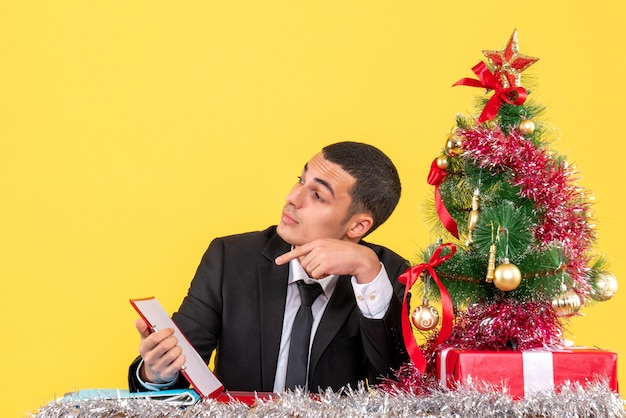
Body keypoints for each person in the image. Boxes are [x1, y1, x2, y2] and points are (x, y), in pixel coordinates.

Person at [128, 141, 409, 394]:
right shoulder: (230, 258)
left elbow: (398, 384)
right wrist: (156, 373)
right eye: (301, 180)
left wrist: (367, 268)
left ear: (358, 226)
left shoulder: (385, 274)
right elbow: (183, 364)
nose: (292, 197)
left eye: (317, 195)